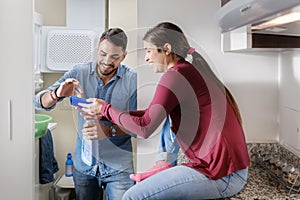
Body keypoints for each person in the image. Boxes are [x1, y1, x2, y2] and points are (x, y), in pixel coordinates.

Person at [80, 22, 250, 199]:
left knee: (132, 197)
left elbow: (145, 127)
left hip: (225, 176)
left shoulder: (176, 75)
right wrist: (106, 112)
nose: (146, 58)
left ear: (166, 49)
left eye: (148, 50)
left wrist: (106, 109)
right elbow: (150, 115)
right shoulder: (186, 71)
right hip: (227, 169)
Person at [35, 28, 137, 200]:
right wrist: (57, 93)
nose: (106, 61)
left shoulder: (132, 80)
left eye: (114, 57)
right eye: (103, 54)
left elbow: (138, 125)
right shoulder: (78, 73)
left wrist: (107, 132)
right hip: (84, 167)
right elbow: (39, 101)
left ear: (124, 56)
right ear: (98, 49)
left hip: (119, 168)